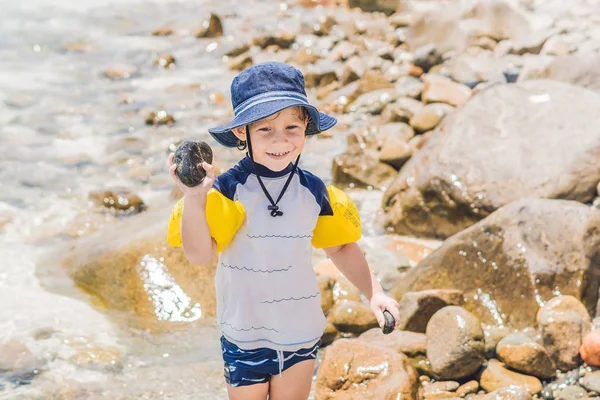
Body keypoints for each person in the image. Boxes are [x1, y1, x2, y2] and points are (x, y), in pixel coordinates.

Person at [166, 62, 400, 400]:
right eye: (264, 130)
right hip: (245, 333)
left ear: (307, 125)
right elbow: (199, 255)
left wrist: (374, 292)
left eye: (292, 127)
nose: (281, 141)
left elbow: (341, 248)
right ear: (240, 132)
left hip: (300, 330)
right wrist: (194, 198)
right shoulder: (227, 190)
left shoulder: (314, 191)